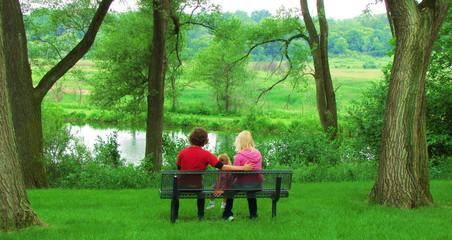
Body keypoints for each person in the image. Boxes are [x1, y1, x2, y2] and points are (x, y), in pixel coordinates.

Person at [175, 127, 254, 221]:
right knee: (201, 190)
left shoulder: (182, 152)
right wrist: (243, 168)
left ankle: (174, 215)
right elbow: (224, 167)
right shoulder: (206, 154)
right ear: (204, 140)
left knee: (176, 194)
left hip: (181, 185)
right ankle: (200, 216)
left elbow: (179, 169)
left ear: (191, 138)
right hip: (196, 186)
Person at [218, 130, 263, 221]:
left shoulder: (239, 155)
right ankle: (253, 214)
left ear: (240, 141)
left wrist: (224, 186)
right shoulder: (258, 153)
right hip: (257, 184)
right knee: (251, 192)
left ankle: (227, 213)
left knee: (230, 190)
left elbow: (234, 173)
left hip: (243, 183)